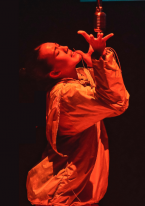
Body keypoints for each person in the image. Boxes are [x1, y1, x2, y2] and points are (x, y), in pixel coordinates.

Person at [23, 31, 130, 206]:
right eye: (58, 52)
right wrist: (100, 57)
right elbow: (116, 102)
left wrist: (94, 63)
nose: (65, 47)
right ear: (55, 72)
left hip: (70, 199)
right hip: (59, 198)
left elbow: (106, 94)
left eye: (59, 45)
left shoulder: (77, 81)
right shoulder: (65, 95)